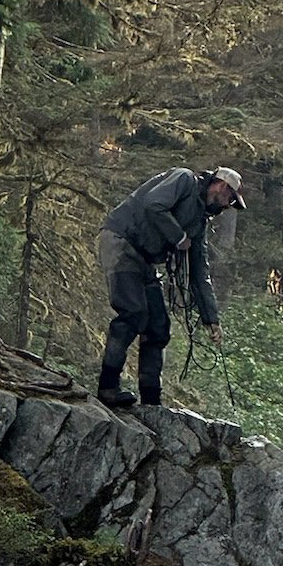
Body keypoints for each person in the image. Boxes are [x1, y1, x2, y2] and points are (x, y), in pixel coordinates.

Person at [96, 166, 247, 409]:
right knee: (133, 313)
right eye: (230, 198)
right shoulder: (184, 179)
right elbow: (153, 205)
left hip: (144, 260)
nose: (228, 205)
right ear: (220, 186)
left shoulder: (199, 222)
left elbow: (200, 271)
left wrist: (211, 319)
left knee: (158, 326)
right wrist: (178, 237)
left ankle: (152, 402)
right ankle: (107, 388)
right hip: (121, 241)